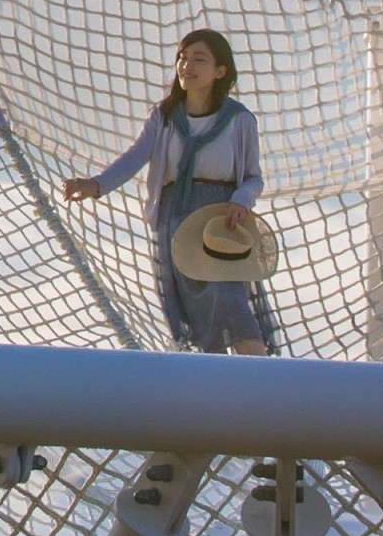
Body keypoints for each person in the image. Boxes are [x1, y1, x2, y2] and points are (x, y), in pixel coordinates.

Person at [62, 27, 275, 352]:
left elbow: (253, 177)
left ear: (220, 71)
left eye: (198, 59)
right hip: (177, 222)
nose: (186, 65)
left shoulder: (239, 120)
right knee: (199, 317)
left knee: (229, 297)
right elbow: (135, 157)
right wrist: (95, 184)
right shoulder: (163, 117)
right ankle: (214, 391)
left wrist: (241, 199)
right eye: (182, 58)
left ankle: (262, 384)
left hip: (222, 221)